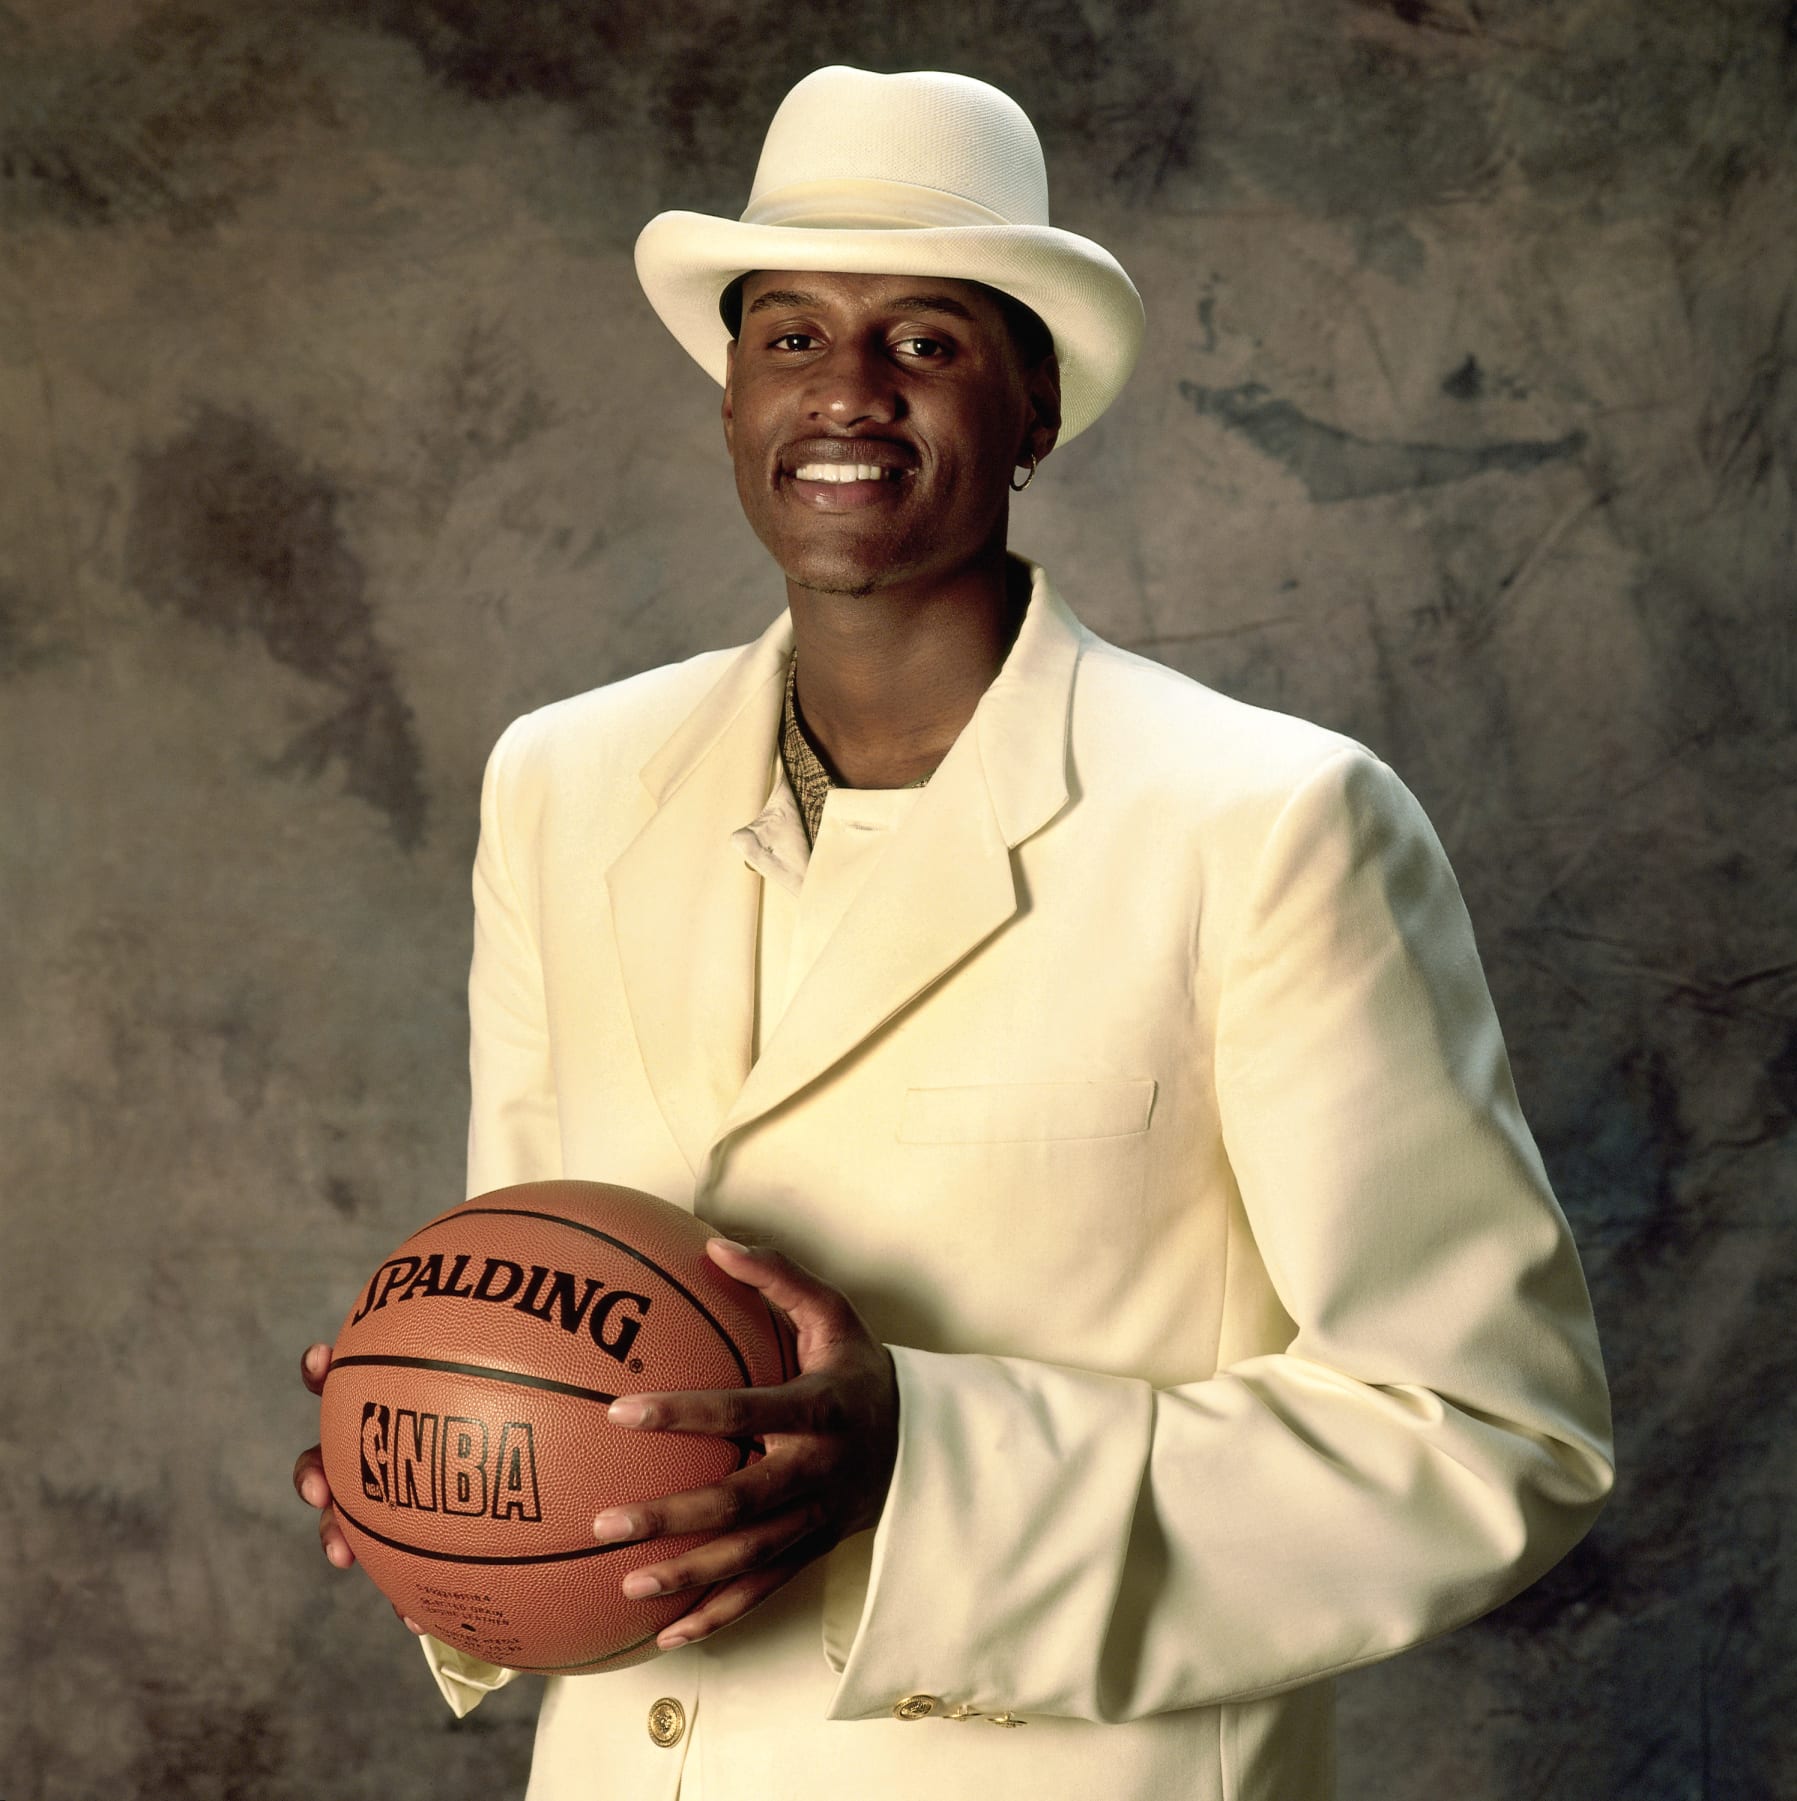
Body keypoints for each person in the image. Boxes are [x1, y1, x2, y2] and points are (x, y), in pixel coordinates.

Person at [294, 65, 1612, 1801]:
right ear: (730, 396)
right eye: (790, 336)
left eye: (925, 339)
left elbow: (1491, 1435)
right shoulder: (565, 782)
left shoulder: (1270, 821)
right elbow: (551, 1297)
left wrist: (921, 1461)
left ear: (1035, 406)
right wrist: (450, 1473)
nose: (846, 390)